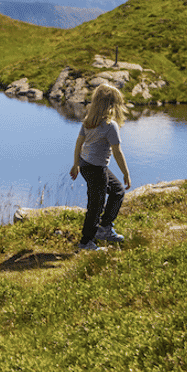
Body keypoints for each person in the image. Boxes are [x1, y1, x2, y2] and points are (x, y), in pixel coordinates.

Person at [69, 83, 133, 251]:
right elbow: (117, 152)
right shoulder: (110, 125)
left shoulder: (89, 121)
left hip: (86, 164)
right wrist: (126, 173)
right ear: (113, 105)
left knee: (117, 191)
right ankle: (86, 242)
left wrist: (76, 164)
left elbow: (78, 143)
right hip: (96, 168)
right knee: (96, 205)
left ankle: (104, 228)